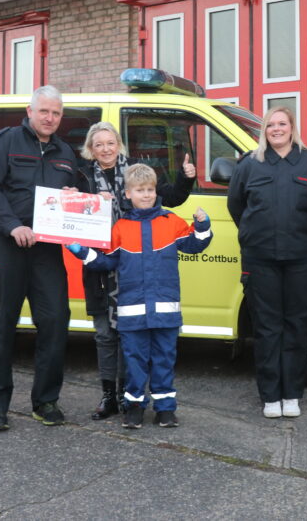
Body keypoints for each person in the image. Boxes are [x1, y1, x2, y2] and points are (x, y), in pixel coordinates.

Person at [67, 163, 212, 428]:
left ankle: (165, 409)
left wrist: (203, 225)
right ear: (128, 194)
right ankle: (134, 407)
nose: (146, 195)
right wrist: (81, 251)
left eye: (150, 190)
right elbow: (106, 261)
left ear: (156, 191)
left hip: (165, 311)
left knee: (164, 360)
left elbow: (195, 245)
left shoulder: (171, 221)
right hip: (132, 311)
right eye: (140, 190)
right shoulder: (121, 227)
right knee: (134, 361)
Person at [0, 85, 82, 432]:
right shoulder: (5, 141)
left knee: (55, 321)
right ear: (30, 111)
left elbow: (74, 197)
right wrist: (13, 226)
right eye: (44, 111)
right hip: (4, 244)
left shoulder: (65, 152)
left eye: (56, 113)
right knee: (1, 325)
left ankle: (46, 401)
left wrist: (73, 196)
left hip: (46, 250)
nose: (50, 118)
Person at [227, 107, 307, 419]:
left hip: (303, 257)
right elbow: (236, 206)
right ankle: (270, 396)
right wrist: (255, 234)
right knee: (267, 327)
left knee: (298, 325)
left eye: (282, 123)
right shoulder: (249, 164)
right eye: (271, 124)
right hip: (261, 258)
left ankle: (292, 394)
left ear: (292, 127)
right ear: (264, 130)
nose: (276, 129)